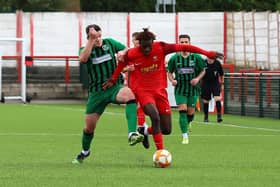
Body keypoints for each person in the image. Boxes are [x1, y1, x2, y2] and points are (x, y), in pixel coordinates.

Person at [103, 28, 223, 150]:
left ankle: (145, 131)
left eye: (149, 46)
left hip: (160, 91)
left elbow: (185, 48)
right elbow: (122, 64)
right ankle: (160, 152)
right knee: (155, 117)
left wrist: (207, 53)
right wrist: (113, 79)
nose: (147, 50)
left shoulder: (161, 47)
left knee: (166, 129)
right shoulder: (133, 53)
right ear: (139, 44)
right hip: (143, 91)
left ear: (152, 42)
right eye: (144, 47)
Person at [72, 24, 143, 164]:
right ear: (88, 37)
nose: (98, 39)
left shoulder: (109, 43)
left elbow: (126, 49)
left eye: (99, 36)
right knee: (88, 128)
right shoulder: (85, 49)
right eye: (94, 37)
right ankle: (85, 151)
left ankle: (132, 133)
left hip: (114, 87)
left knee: (129, 95)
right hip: (96, 93)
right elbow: (82, 59)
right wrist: (91, 41)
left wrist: (123, 52)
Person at [167, 34, 206, 144]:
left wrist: (197, 79)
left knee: (190, 113)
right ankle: (184, 135)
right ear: (179, 44)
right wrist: (172, 80)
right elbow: (169, 72)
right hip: (180, 89)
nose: (184, 44)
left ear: (189, 43)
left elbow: (203, 70)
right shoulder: (174, 58)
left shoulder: (197, 57)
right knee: (182, 111)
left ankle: (189, 122)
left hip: (193, 89)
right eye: (182, 42)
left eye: (186, 42)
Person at [125, 32, 149, 149]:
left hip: (144, 85)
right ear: (132, 41)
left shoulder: (146, 53)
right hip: (131, 86)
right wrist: (127, 68)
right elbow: (122, 68)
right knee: (133, 108)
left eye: (139, 41)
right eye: (136, 40)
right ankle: (143, 130)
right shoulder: (129, 53)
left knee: (141, 107)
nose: (138, 43)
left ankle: (141, 128)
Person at [201, 58, 224, 123]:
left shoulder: (217, 63)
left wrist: (222, 84)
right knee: (206, 101)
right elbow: (199, 72)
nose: (210, 59)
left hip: (215, 83)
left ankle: (219, 116)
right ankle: (206, 117)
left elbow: (221, 74)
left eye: (212, 57)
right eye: (209, 57)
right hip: (206, 83)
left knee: (217, 98)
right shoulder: (204, 62)